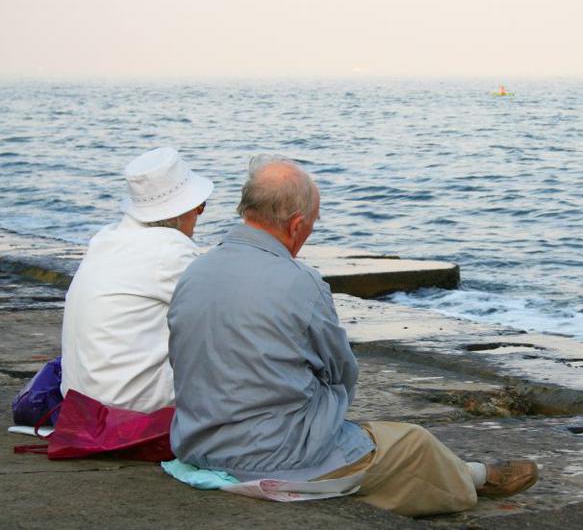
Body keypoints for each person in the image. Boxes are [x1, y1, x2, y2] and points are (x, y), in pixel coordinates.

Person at [167, 155, 538, 517]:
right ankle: (472, 478)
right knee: (412, 445)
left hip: (198, 444)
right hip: (270, 455)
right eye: (312, 223)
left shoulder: (195, 272)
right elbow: (341, 372)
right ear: (296, 225)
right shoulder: (301, 283)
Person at [60, 147, 213, 413]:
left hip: (78, 398)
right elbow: (220, 315)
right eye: (199, 207)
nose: (198, 216)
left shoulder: (105, 239)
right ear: (180, 211)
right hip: (128, 405)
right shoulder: (171, 250)